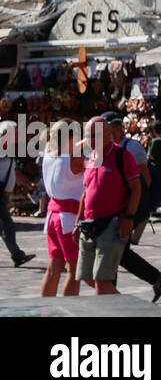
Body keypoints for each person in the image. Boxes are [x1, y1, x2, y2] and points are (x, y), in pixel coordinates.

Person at [101, 114, 161, 302]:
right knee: (118, 252)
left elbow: (143, 180)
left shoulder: (132, 147)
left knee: (115, 250)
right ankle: (155, 278)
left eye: (106, 130)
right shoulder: (107, 149)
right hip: (114, 209)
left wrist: (133, 211)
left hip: (127, 209)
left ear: (116, 129)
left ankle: (109, 293)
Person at [75, 115, 141, 294]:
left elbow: (136, 188)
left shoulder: (122, 155)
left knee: (101, 280)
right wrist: (77, 222)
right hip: (89, 225)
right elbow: (86, 192)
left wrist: (129, 218)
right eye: (88, 136)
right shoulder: (90, 158)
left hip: (113, 223)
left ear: (108, 134)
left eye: (95, 135)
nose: (91, 140)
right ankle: (127, 309)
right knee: (87, 277)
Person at [40, 119, 84, 296]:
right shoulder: (74, 158)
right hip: (67, 219)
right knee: (74, 271)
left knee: (53, 269)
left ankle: (46, 311)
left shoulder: (48, 155)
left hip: (52, 216)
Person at [0, 120, 36, 268]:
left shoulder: (8, 151)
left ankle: (17, 255)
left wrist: (26, 183)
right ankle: (17, 255)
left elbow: (14, 170)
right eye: (15, 132)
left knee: (5, 226)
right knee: (7, 225)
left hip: (3, 195)